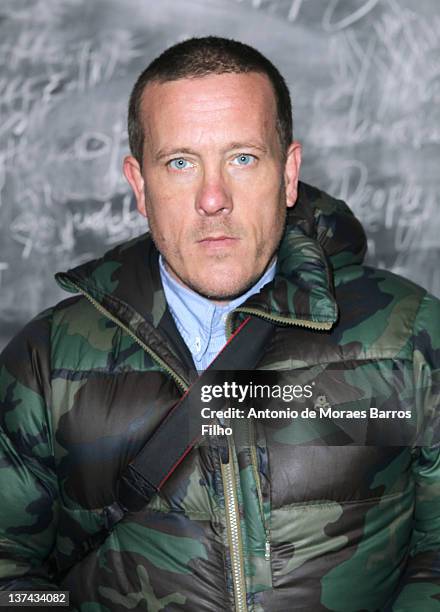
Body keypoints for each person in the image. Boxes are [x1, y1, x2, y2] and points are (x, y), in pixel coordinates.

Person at [0, 36, 439, 612]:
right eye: (180, 163)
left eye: (243, 158)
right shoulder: (46, 359)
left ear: (288, 174)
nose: (213, 198)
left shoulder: (408, 334)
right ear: (139, 186)